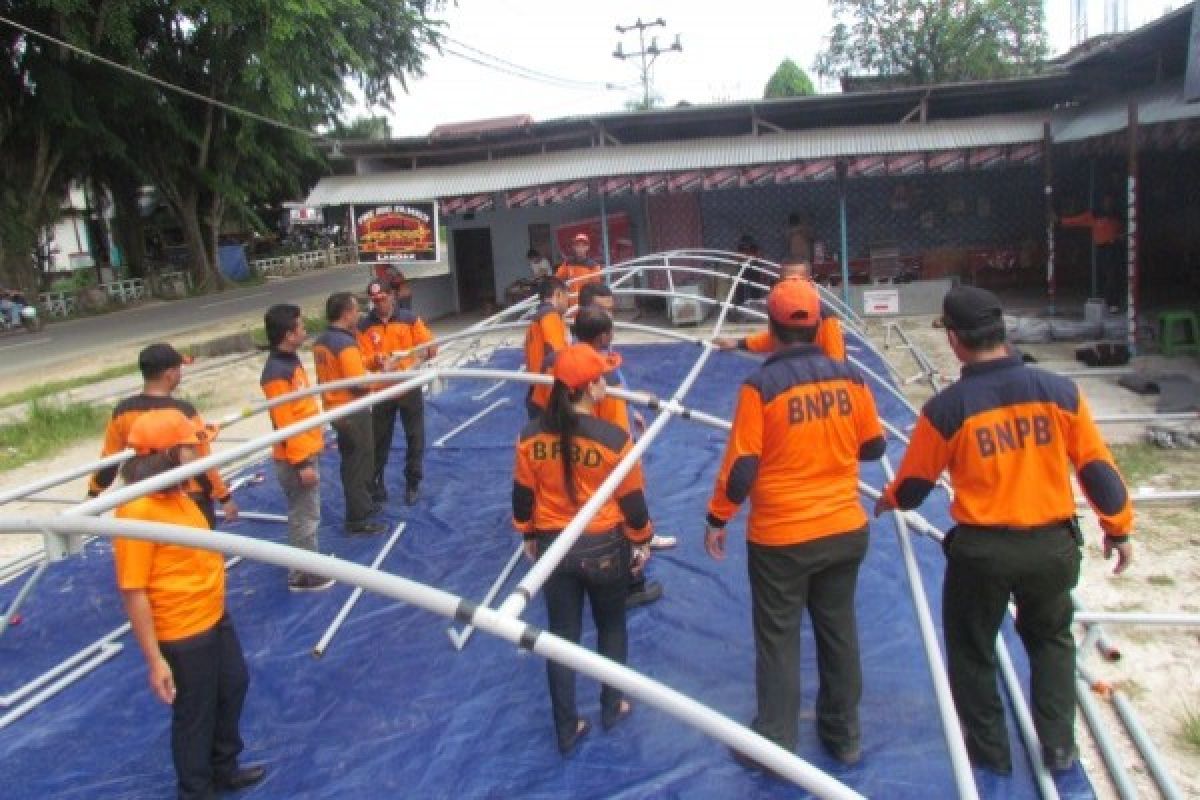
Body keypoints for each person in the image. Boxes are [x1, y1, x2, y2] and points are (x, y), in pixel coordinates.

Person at [875, 285, 1134, 775]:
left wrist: (887, 501)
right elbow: (1098, 469)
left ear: (953, 340)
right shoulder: (1060, 392)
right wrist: (1118, 530)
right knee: (1052, 640)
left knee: (972, 650)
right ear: (1003, 332)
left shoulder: (948, 409)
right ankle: (1059, 747)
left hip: (984, 554)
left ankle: (991, 755)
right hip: (1053, 547)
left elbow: (912, 485)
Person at [703, 277, 885, 771]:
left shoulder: (761, 386)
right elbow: (874, 447)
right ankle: (844, 734)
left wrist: (718, 517)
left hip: (782, 537)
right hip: (844, 529)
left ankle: (776, 741)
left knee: (779, 639)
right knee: (838, 631)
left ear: (772, 326)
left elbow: (742, 467)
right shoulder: (850, 377)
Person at [113, 409, 266, 799]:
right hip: (182, 630)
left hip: (214, 614)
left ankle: (223, 766)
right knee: (195, 713)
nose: (197, 456)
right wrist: (155, 659)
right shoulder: (137, 511)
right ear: (167, 455)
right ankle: (196, 790)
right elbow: (134, 591)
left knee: (233, 685)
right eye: (189, 448)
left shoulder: (179, 495)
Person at [512, 343, 653, 755]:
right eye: (603, 378)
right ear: (589, 388)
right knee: (611, 626)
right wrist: (642, 540)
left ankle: (566, 726)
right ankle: (612, 704)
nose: (608, 383)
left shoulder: (530, 437)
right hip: (606, 543)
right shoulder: (613, 439)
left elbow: (522, 496)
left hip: (556, 547)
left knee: (561, 637)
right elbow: (633, 503)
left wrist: (528, 535)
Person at [570, 306, 669, 608]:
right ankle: (630, 582)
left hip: (584, 450)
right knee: (622, 513)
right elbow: (611, 418)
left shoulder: (572, 363)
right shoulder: (601, 373)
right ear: (604, 335)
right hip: (610, 454)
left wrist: (630, 407)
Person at [90, 343, 238, 530]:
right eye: (179, 369)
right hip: (189, 495)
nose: (180, 374)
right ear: (170, 375)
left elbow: (109, 461)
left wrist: (93, 493)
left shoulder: (123, 411)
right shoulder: (183, 411)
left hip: (145, 493)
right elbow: (202, 461)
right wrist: (224, 497)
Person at [260, 304, 334, 591]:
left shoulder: (290, 361)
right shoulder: (276, 373)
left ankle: (308, 562)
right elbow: (284, 421)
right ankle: (304, 574)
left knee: (307, 512)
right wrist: (302, 463)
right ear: (289, 334)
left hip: (306, 449)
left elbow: (302, 409)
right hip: (295, 457)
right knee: (305, 515)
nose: (305, 330)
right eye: (301, 326)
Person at [357, 278, 437, 506]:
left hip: (408, 387)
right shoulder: (365, 327)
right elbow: (362, 359)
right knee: (379, 439)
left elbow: (430, 346)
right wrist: (378, 360)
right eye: (374, 301)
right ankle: (377, 480)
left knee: (415, 436)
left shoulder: (410, 319)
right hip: (383, 390)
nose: (379, 304)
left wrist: (413, 360)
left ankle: (413, 482)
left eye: (382, 298)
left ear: (391, 296)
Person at [314, 292, 386, 535]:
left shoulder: (323, 341)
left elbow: (345, 370)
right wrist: (384, 377)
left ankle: (362, 505)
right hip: (351, 410)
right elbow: (358, 383)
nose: (359, 314)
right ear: (346, 313)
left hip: (335, 409)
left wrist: (371, 362)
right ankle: (359, 518)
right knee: (359, 461)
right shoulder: (344, 343)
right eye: (356, 310)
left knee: (352, 460)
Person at [712, 262, 846, 361]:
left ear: (810, 283)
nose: (793, 284)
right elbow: (775, 339)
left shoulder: (827, 317)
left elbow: (837, 362)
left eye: (798, 280)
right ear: (779, 283)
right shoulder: (779, 308)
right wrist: (738, 343)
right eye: (787, 281)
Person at [1060, 195, 1125, 313]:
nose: (1108, 203)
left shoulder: (1117, 216)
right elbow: (1077, 220)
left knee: (1113, 275)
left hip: (1114, 247)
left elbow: (1122, 230)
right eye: (1106, 201)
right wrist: (1061, 221)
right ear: (1102, 202)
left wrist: (1120, 236)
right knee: (1106, 275)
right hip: (1102, 248)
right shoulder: (1095, 214)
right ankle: (1108, 301)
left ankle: (1113, 302)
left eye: (1110, 201)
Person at [523, 276, 570, 419]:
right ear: (558, 294)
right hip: (547, 396)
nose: (568, 303)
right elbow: (557, 355)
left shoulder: (535, 320)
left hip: (537, 391)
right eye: (566, 297)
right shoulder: (550, 316)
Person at [554, 232, 603, 306]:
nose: (580, 248)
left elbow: (596, 287)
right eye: (578, 245)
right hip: (570, 302)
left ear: (587, 247)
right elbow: (557, 278)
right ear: (574, 247)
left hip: (586, 304)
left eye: (583, 246)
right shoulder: (568, 263)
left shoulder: (594, 266)